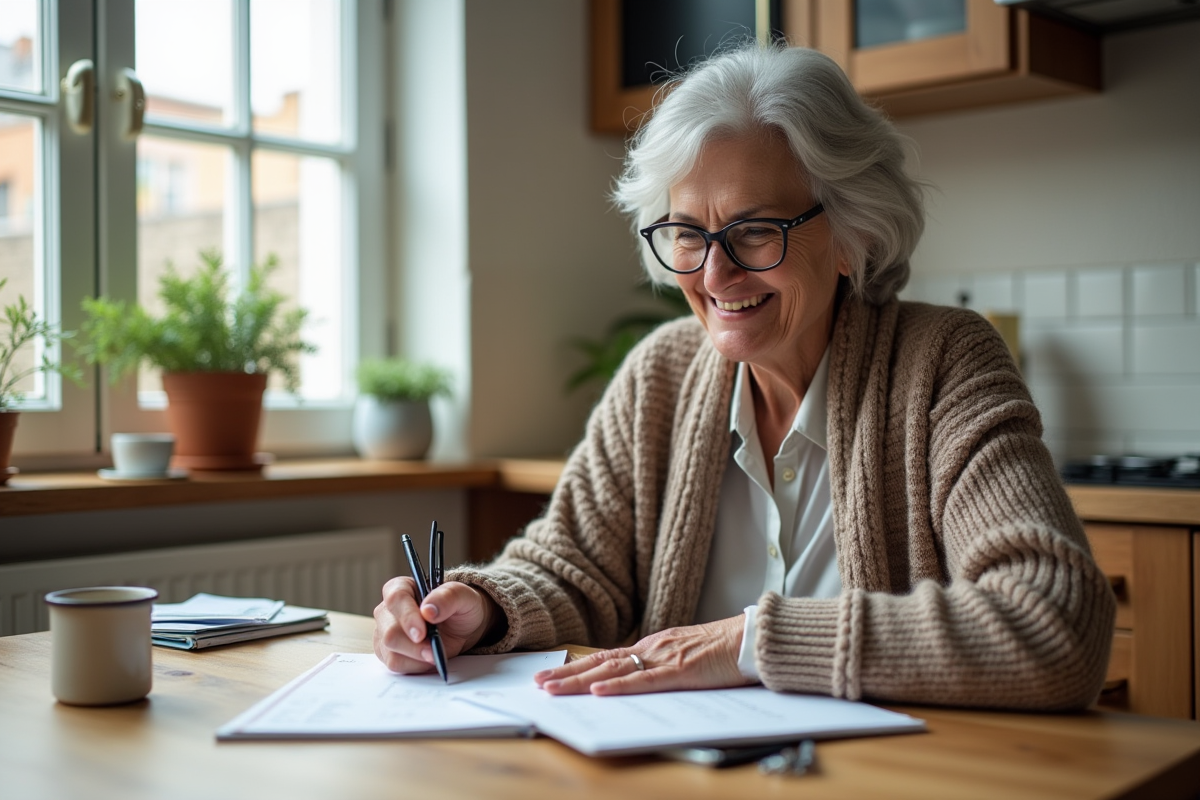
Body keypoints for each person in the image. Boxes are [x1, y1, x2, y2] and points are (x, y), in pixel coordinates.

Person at [374, 44, 1115, 710]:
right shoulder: (658, 375)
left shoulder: (943, 363)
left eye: (755, 230)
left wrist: (746, 643)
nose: (716, 272)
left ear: (853, 234)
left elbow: (1053, 620)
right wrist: (479, 606)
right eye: (688, 233)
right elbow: (573, 570)